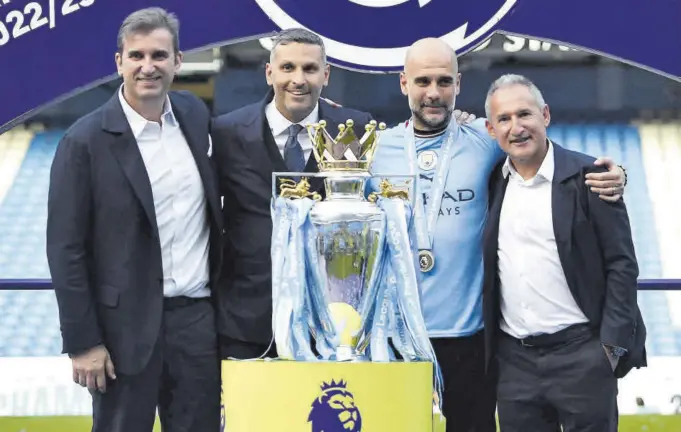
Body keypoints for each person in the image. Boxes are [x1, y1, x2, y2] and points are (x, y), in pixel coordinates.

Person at [367, 38, 628, 431]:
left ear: (459, 83)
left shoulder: (484, 139)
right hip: (398, 336)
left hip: (472, 339)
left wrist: (617, 174)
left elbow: (542, 150)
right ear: (404, 84)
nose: (433, 93)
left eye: (443, 81)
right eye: (422, 82)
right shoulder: (375, 149)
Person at [46, 7, 222, 432]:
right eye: (137, 55)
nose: (148, 67)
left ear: (178, 61)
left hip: (195, 325)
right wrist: (84, 343)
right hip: (121, 334)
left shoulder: (195, 116)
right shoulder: (83, 142)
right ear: (119, 62)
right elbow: (66, 250)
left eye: (159, 56)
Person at [482, 73, 646, 432]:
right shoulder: (491, 180)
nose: (516, 127)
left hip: (583, 357)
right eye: (504, 119)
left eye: (524, 114)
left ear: (546, 115)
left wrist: (610, 349)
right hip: (515, 364)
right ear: (491, 130)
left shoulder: (591, 177)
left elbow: (622, 264)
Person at [210, 28, 374, 359]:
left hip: (333, 321)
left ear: (325, 75)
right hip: (246, 319)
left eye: (309, 69)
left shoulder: (356, 128)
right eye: (287, 68)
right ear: (269, 72)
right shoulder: (226, 132)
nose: (298, 79)